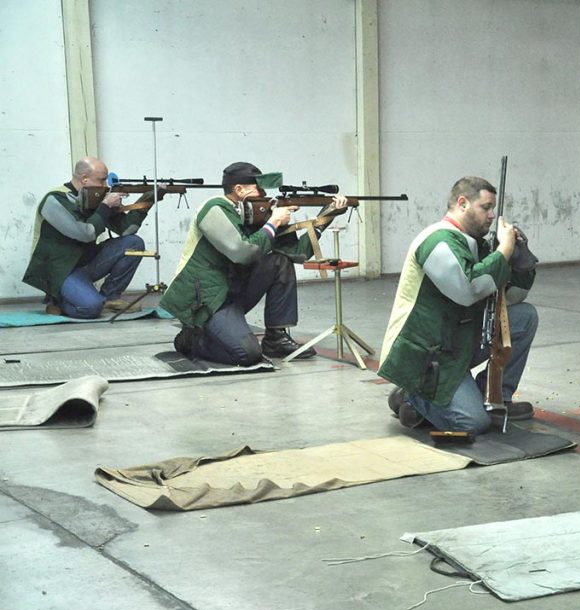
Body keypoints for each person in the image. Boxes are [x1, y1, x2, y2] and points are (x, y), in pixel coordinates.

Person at [379, 175, 540, 435]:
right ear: (462, 203)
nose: (491, 216)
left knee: (523, 317)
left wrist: (520, 258)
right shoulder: (437, 240)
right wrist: (503, 252)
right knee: (472, 424)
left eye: (492, 209)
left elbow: (511, 298)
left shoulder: (475, 243)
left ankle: (497, 397)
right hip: (426, 353)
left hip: (455, 341)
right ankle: (412, 396)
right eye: (485, 207)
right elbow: (468, 289)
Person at [160, 162, 347, 365]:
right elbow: (242, 252)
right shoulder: (213, 208)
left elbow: (298, 253)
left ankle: (275, 338)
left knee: (279, 261)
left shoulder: (255, 214)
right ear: (239, 189)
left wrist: (327, 215)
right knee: (247, 354)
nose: (263, 193)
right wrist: (273, 222)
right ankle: (192, 340)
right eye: (257, 188)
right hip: (207, 301)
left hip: (232, 292)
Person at [23, 156, 150, 318]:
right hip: (61, 270)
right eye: (102, 180)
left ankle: (110, 297)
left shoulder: (93, 199)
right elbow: (84, 233)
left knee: (133, 243)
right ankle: (56, 300)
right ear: (84, 179)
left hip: (86, 262)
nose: (105, 186)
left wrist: (148, 200)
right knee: (91, 308)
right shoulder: (54, 200)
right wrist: (105, 206)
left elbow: (125, 231)